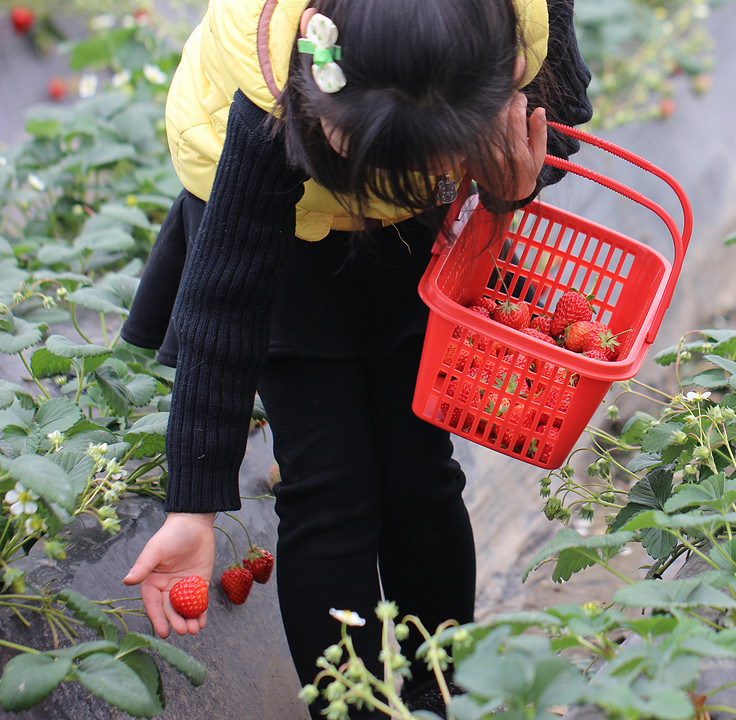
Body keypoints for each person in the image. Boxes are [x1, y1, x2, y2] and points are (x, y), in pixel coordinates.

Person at [118, 0, 592, 716]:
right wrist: (193, 506)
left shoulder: (522, 30)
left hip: (419, 230)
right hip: (287, 237)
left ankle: (440, 698)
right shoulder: (271, 86)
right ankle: (353, 710)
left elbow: (555, 133)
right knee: (329, 491)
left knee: (421, 477)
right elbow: (225, 299)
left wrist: (509, 188)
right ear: (319, 89)